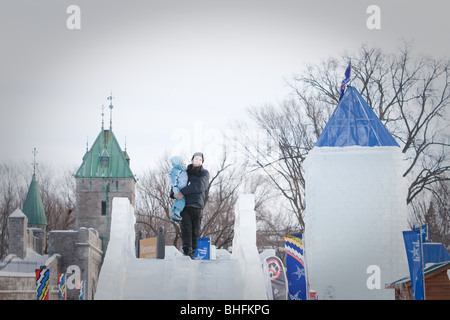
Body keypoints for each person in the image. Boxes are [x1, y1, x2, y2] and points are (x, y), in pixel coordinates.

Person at [173, 152, 209, 258]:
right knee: (186, 229)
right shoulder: (184, 172)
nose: (198, 161)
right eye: (196, 159)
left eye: (200, 160)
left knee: (195, 230)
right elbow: (176, 183)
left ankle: (193, 251)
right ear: (192, 160)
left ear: (202, 162)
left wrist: (182, 192)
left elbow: (199, 186)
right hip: (184, 204)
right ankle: (186, 251)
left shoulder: (204, 173)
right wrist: (173, 193)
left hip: (197, 205)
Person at [169, 155, 188, 221]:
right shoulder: (176, 170)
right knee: (182, 200)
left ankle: (174, 212)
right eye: (184, 163)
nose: (185, 165)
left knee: (177, 200)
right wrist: (175, 187)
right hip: (179, 188)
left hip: (181, 188)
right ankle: (177, 212)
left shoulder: (183, 170)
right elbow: (173, 179)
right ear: (180, 164)